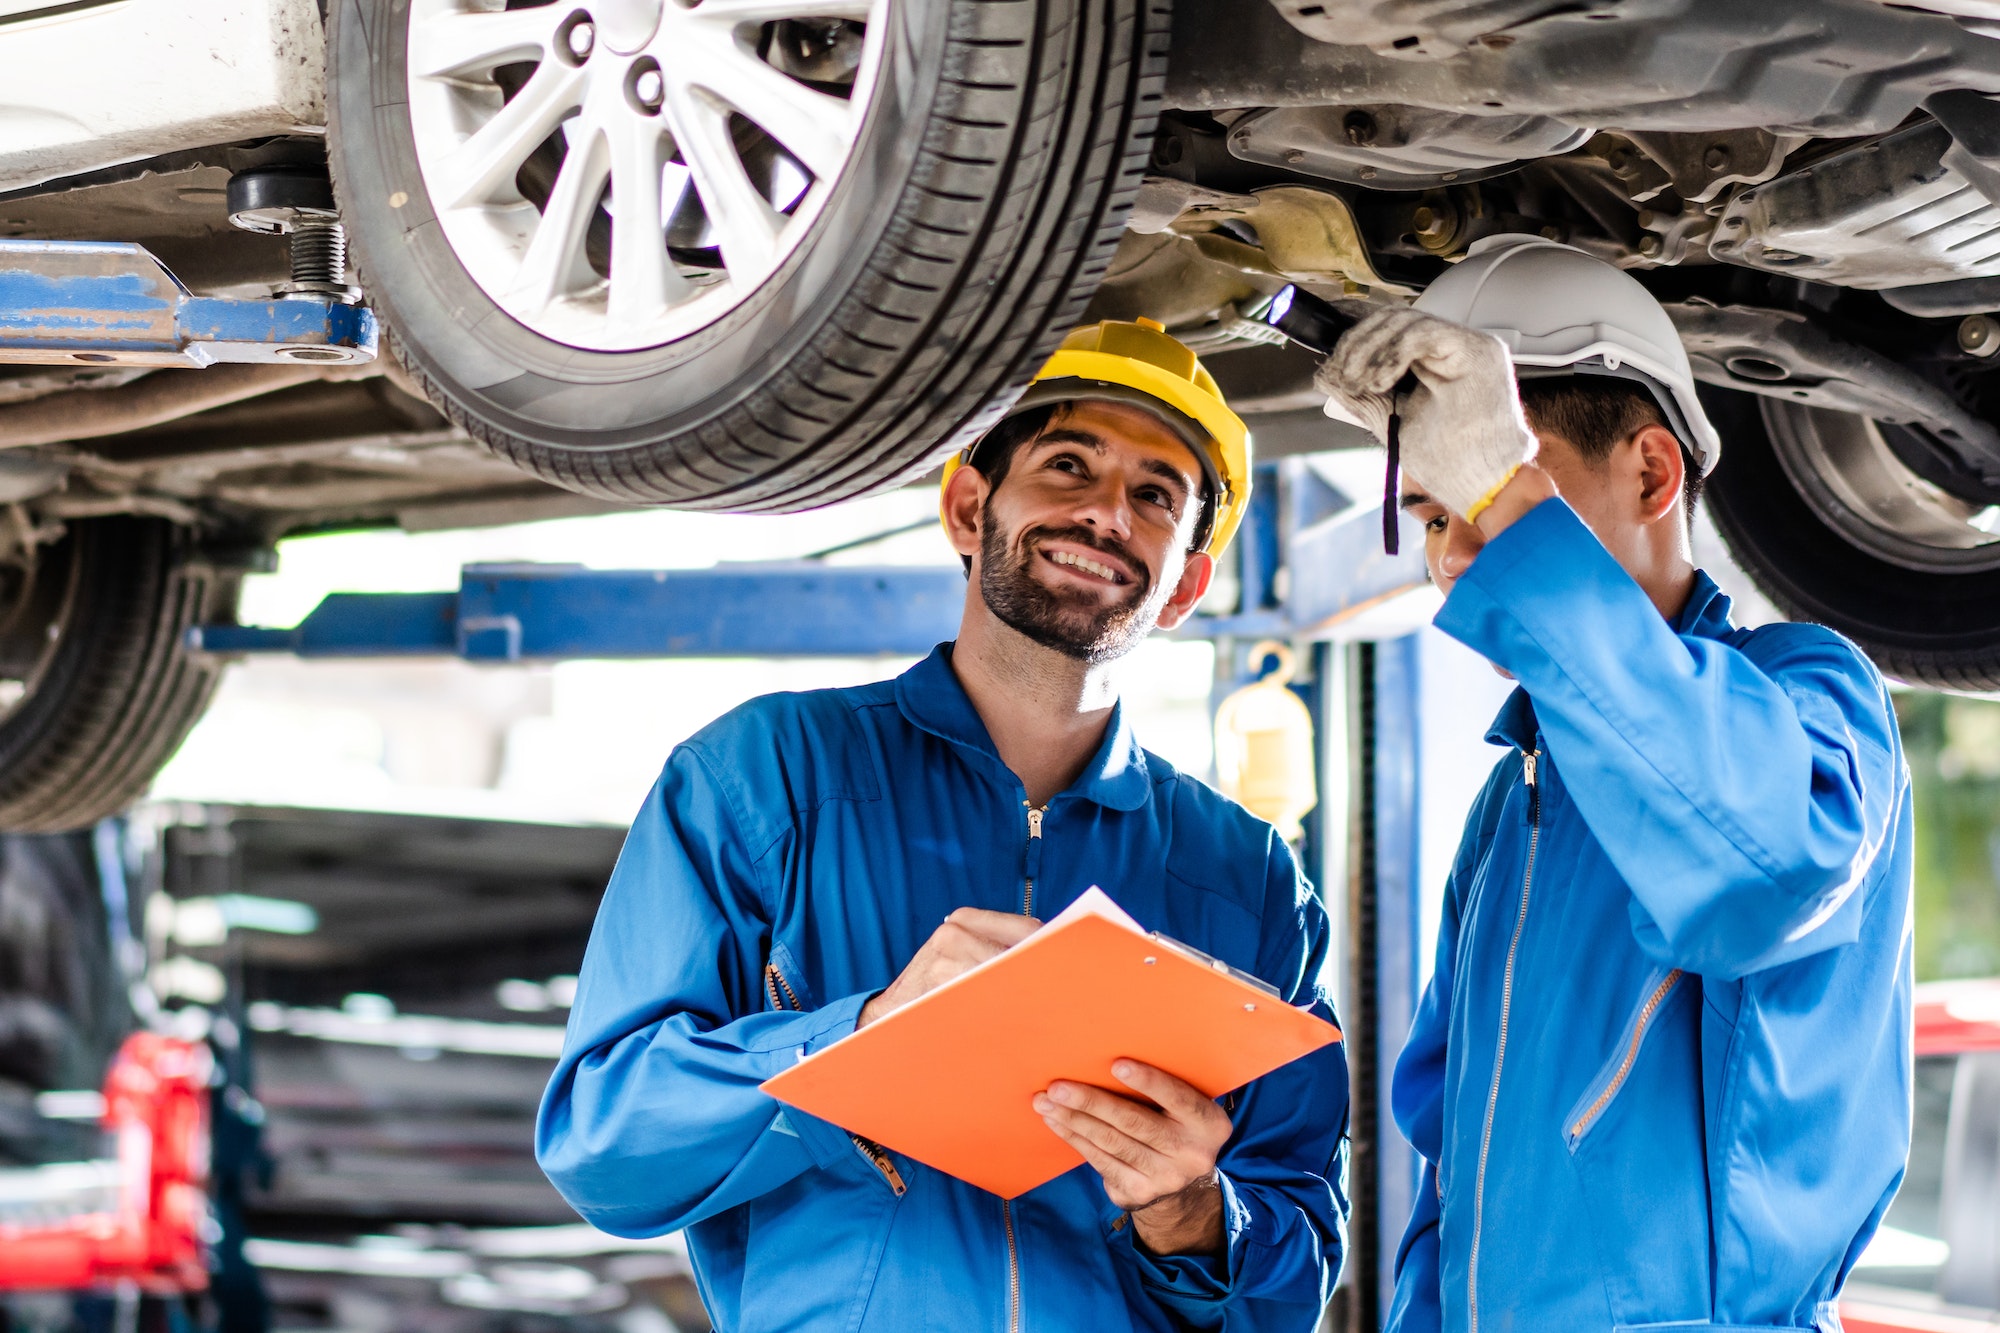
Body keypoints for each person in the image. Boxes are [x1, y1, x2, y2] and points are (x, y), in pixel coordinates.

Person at [537, 317, 1351, 1332]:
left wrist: (1187, 1210)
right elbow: (604, 1146)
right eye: (1068, 464)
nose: (1106, 513)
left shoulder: (1249, 878)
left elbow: (1298, 1260)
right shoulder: (764, 775)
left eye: (1155, 496)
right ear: (969, 508)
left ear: (1184, 581)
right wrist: (865, 1037)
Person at [1315, 237, 1913, 1333]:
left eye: (1501, 486)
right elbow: (1451, 1154)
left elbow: (1760, 873)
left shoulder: (1807, 693)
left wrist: (1507, 509)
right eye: (1438, 512)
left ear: (1650, 472)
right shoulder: (1513, 801)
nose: (1454, 556)